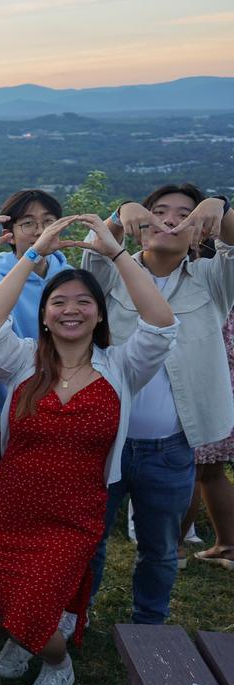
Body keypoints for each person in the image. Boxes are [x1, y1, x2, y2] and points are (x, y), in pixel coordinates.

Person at [0, 215, 176, 685]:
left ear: (100, 315)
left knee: (34, 610)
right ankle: (22, 638)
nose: (71, 311)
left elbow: (161, 325)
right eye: (58, 303)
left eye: (84, 303)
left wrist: (118, 256)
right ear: (43, 314)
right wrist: (33, 252)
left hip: (73, 515)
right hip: (10, 507)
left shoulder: (122, 366)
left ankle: (57, 663)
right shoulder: (21, 362)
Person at [86, 186, 234, 624]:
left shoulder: (211, 279)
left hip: (170, 447)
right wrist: (119, 211)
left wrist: (220, 207)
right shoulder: (114, 272)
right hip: (107, 438)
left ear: (199, 231)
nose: (170, 220)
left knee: (161, 547)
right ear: (140, 224)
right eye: (158, 212)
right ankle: (79, 612)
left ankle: (150, 622)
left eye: (184, 214)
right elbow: (96, 252)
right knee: (91, 538)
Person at [0, 189, 72, 452]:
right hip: (7, 409)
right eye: (28, 223)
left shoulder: (70, 279)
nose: (39, 231)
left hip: (64, 407)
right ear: (10, 233)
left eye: (47, 221)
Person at [188, 307, 234, 568]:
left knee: (189, 470)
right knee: (213, 471)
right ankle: (228, 545)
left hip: (207, 388)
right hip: (227, 391)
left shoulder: (210, 288)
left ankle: (175, 546)